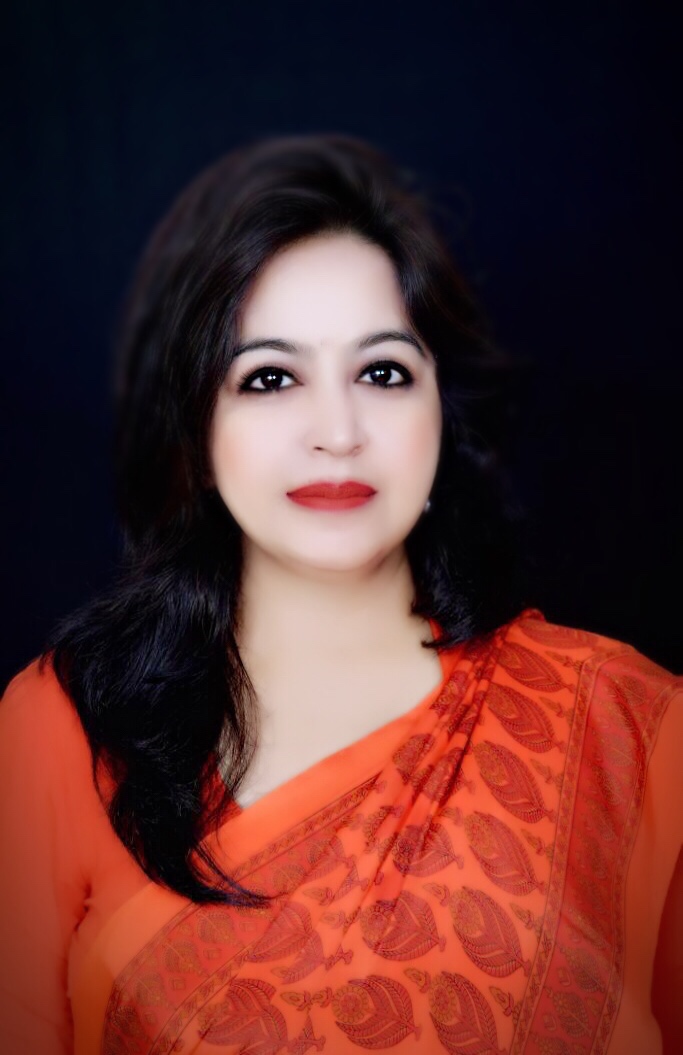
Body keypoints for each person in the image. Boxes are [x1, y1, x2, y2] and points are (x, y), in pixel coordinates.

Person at [0, 135, 680, 1055]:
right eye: (270, 377)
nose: (337, 430)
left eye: (382, 372)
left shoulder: (625, 727)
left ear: (442, 413)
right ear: (199, 430)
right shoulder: (67, 725)